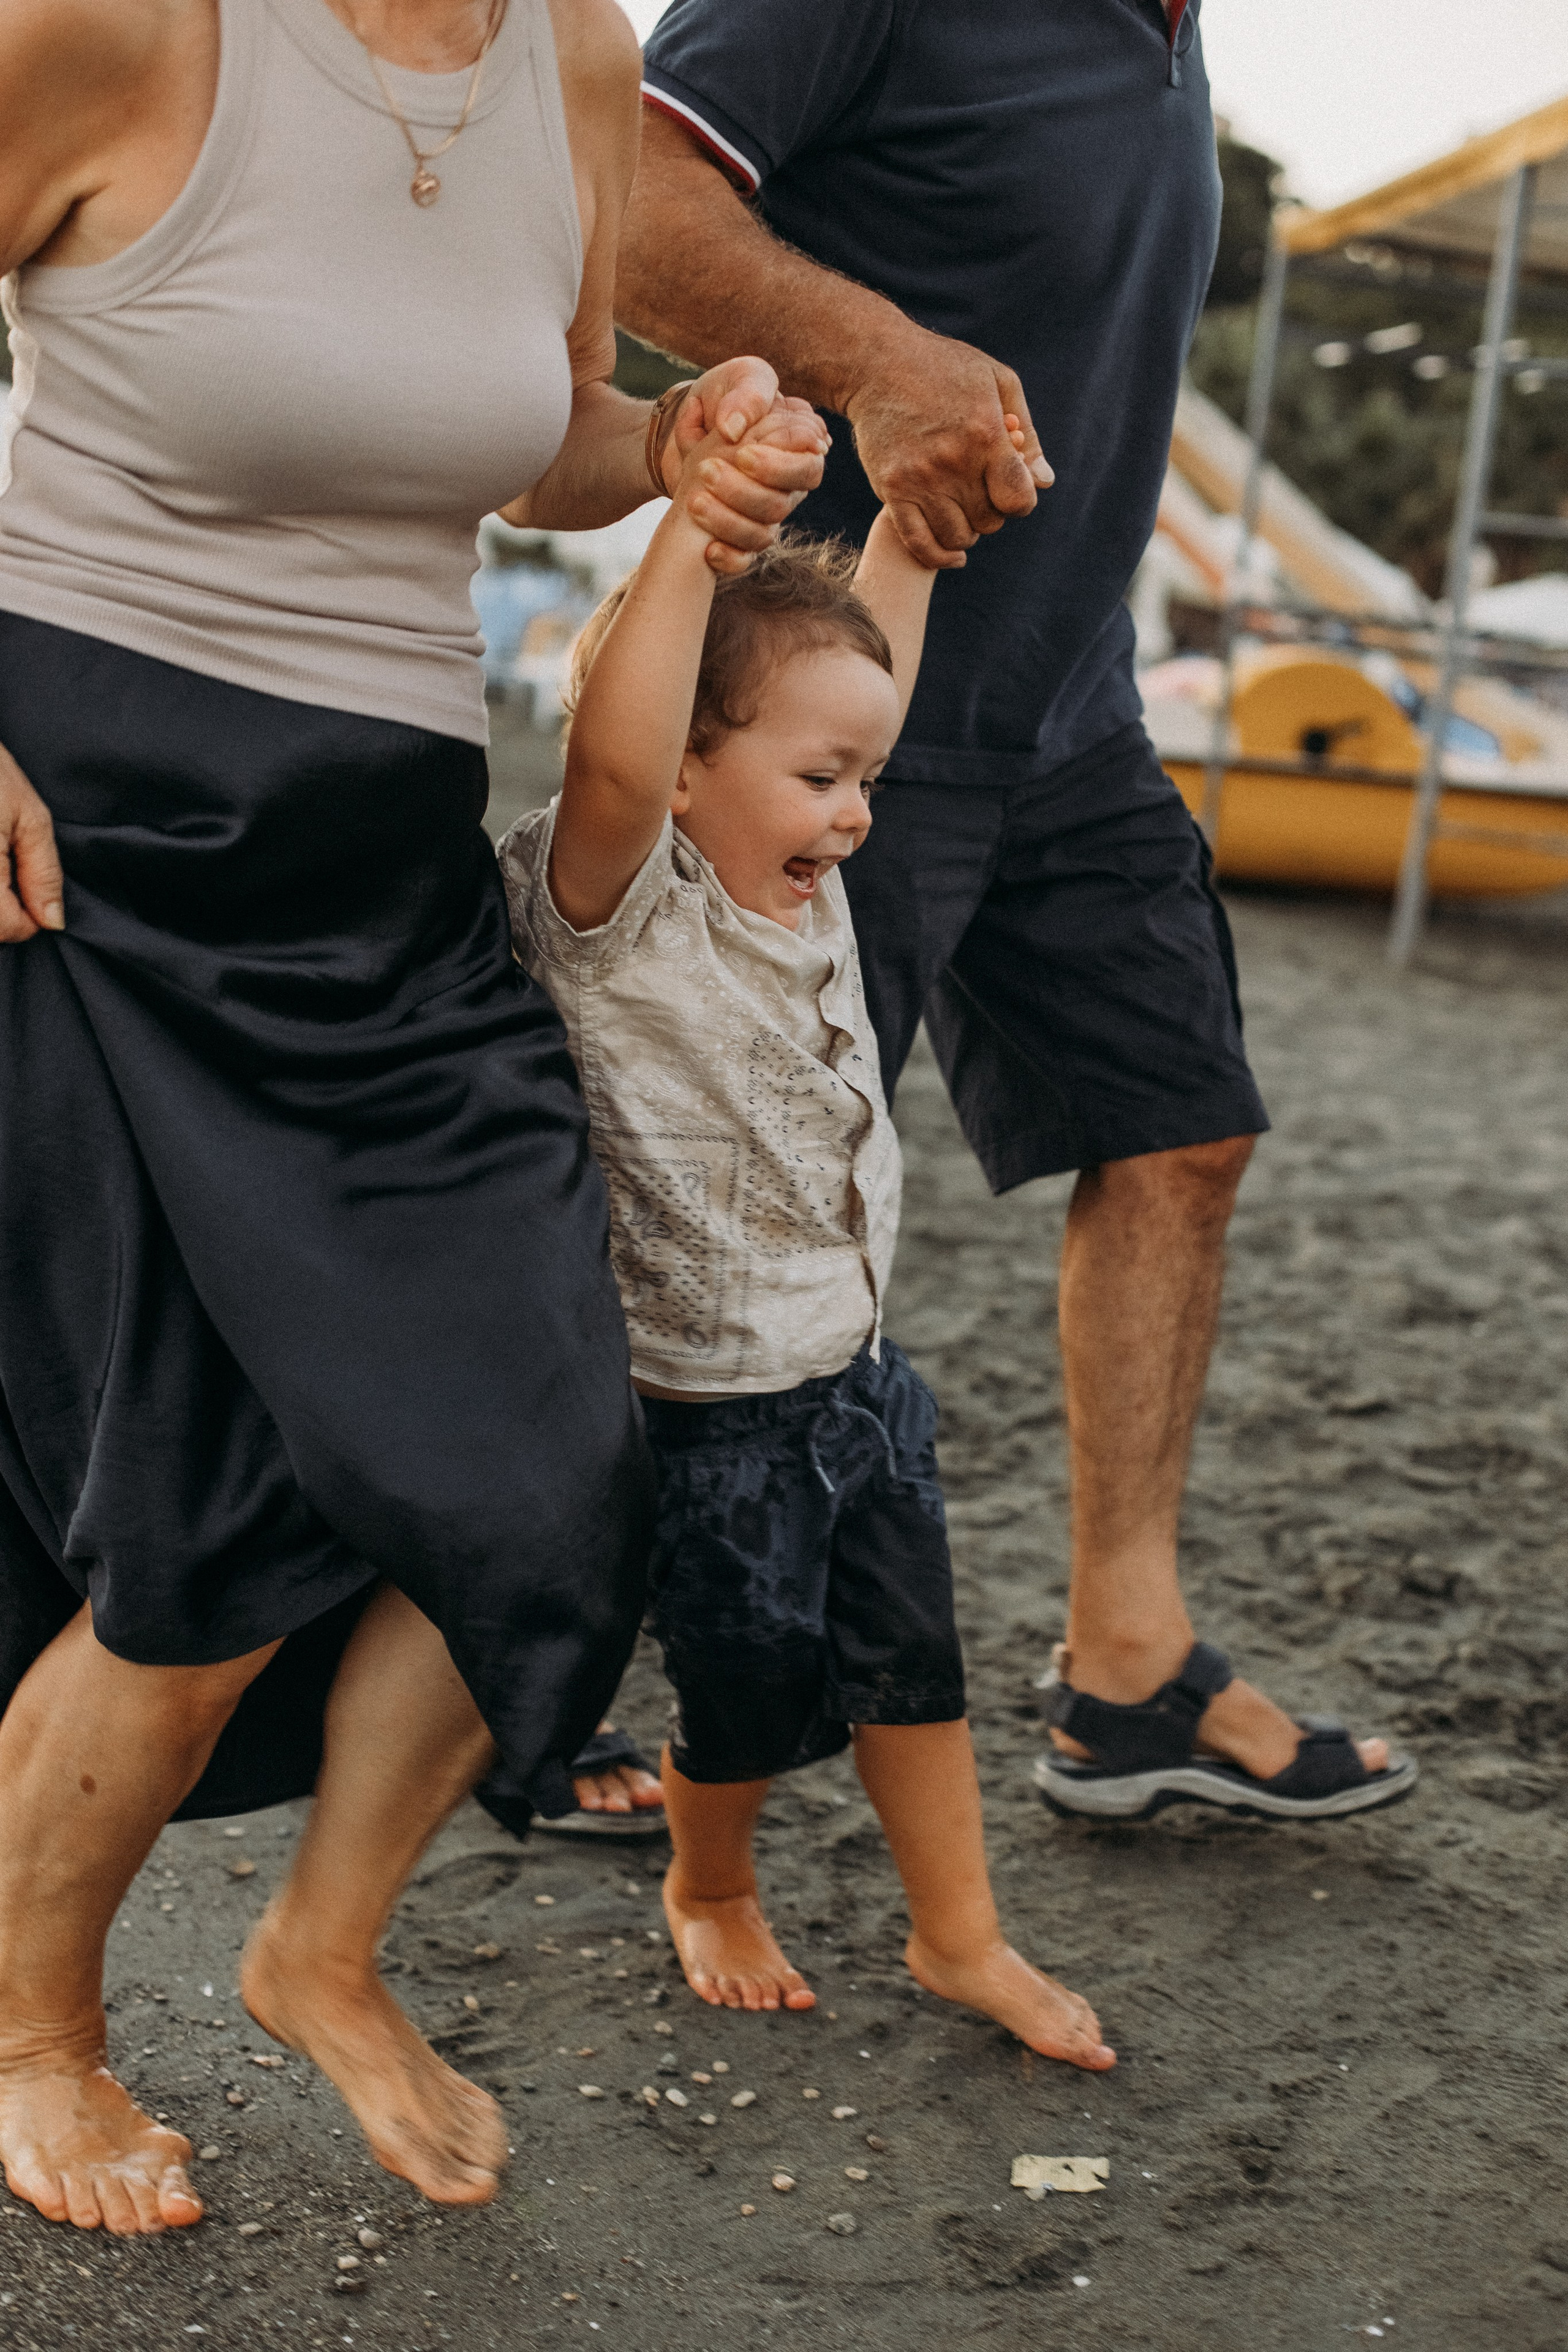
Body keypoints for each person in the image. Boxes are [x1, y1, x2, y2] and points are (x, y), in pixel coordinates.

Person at [0, 0, 826, 2237]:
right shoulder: (116, 31)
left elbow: (531, 430)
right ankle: (39, 2039)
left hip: (381, 857)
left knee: (552, 1449)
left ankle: (316, 1952)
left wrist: (671, 448)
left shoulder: (565, 48)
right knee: (198, 1514)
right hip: (92, 846)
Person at [618, 0, 1416, 1822]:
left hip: (1070, 714)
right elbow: (623, 198)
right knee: (720, 1215)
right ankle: (541, 1668)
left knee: (1181, 1132)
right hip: (814, 703)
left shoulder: (1173, 39)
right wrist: (877, 355)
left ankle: (1127, 1670)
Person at [497, 412, 1115, 2068]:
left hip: (852, 1370)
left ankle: (958, 1931)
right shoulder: (622, 899)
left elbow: (857, 694)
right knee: (750, 1691)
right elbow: (623, 760)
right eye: (821, 779)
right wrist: (695, 542)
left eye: (865, 781)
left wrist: (903, 548)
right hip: (703, 1408)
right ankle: (709, 1883)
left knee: (917, 1663)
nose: (854, 815)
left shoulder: (806, 873)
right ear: (688, 763)